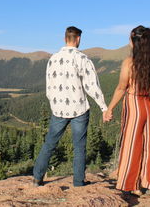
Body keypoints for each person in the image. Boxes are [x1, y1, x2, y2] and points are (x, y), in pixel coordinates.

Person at [33, 26, 109, 187]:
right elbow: (92, 86)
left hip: (58, 109)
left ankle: (37, 178)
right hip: (79, 108)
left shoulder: (53, 59)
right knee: (79, 147)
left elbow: (49, 87)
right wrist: (104, 107)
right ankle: (78, 182)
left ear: (64, 38)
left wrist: (54, 103)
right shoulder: (82, 59)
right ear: (78, 39)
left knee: (50, 144)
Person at [104, 25, 150, 196]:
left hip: (135, 104)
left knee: (132, 145)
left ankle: (131, 185)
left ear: (134, 43)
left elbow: (121, 88)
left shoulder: (129, 63)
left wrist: (109, 109)